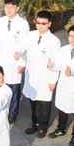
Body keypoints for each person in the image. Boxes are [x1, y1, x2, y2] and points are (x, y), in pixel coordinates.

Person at [23, 10, 61, 138]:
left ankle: (43, 126)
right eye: (38, 22)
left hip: (45, 76)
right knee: (33, 102)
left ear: (49, 24)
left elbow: (56, 62)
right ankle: (34, 123)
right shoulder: (30, 35)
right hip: (32, 75)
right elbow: (23, 50)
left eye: (43, 23)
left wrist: (53, 80)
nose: (40, 26)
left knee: (44, 104)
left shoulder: (54, 41)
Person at [0, 0, 29, 123]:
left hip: (14, 61)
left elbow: (25, 44)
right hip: (0, 59)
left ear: (17, 8)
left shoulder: (23, 24)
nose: (9, 9)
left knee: (14, 88)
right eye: (7, 6)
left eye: (12, 6)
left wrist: (22, 62)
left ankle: (13, 112)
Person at [48, 25, 74, 146]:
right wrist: (51, 66)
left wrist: (71, 71)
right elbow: (58, 66)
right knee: (62, 108)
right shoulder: (63, 49)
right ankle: (61, 129)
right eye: (70, 36)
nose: (72, 39)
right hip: (64, 85)